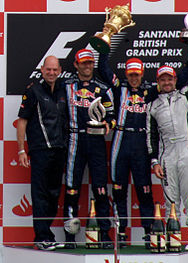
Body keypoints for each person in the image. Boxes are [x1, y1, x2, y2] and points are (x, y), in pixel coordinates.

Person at [98, 35, 188, 248]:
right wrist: (104, 44)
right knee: (118, 189)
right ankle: (120, 232)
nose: (134, 78)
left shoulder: (150, 91)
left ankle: (148, 232)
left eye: (137, 74)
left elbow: (177, 81)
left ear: (142, 74)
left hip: (141, 142)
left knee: (144, 189)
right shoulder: (119, 88)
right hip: (120, 139)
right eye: (131, 74)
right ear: (126, 74)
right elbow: (104, 70)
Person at [146, 38, 188, 251]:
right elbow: (151, 136)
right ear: (158, 82)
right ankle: (172, 235)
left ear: (175, 80)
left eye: (170, 79)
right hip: (167, 156)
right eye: (162, 79)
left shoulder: (186, 96)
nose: (167, 82)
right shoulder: (152, 106)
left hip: (187, 152)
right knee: (170, 198)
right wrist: (154, 161)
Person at [64, 49, 116, 249]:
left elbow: (112, 116)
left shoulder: (103, 88)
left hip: (96, 141)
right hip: (74, 139)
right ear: (76, 65)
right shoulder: (66, 85)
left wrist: (107, 126)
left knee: (101, 189)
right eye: (83, 63)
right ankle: (70, 236)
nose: (87, 66)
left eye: (89, 63)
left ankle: (104, 234)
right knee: (71, 189)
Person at [17, 56, 68, 251]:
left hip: (59, 150)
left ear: (60, 70)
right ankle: (41, 237)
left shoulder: (63, 89)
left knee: (54, 195)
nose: (52, 73)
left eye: (55, 70)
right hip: (39, 151)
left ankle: (47, 235)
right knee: (40, 195)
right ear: (42, 69)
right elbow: (22, 121)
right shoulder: (33, 91)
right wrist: (22, 149)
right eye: (48, 70)